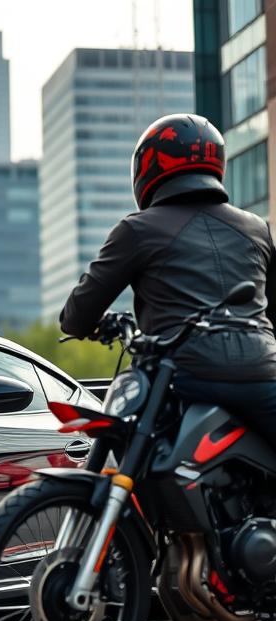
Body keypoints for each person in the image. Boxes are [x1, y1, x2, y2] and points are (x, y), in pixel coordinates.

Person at [59, 113, 276, 447]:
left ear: (147, 168)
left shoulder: (137, 229)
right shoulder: (257, 228)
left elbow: (75, 317)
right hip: (261, 375)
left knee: (136, 452)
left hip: (181, 376)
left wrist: (99, 325)